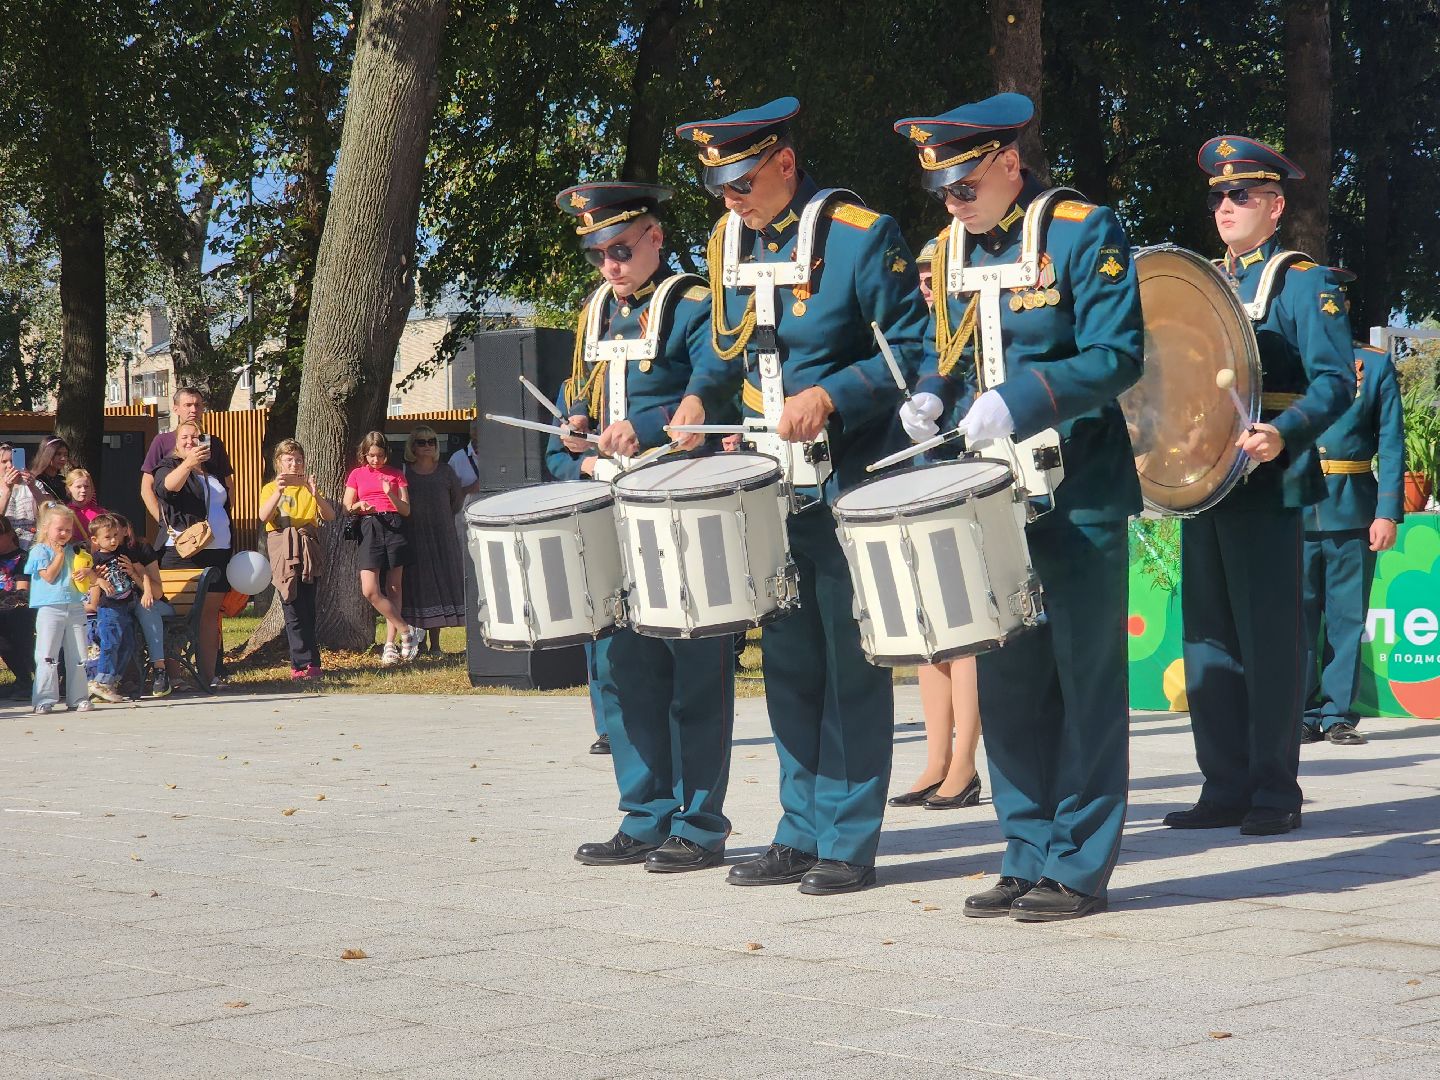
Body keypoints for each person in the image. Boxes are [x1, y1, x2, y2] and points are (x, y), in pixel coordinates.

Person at [894, 94, 1143, 920]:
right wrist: (931, 396)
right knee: (1008, 677)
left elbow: (1117, 355)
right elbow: (948, 353)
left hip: (1078, 490)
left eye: (964, 188)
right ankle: (1024, 845)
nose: (953, 205)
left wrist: (1027, 396)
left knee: (1083, 681)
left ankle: (1078, 863)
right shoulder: (948, 247)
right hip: (992, 496)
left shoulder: (1082, 229)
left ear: (1008, 163)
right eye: (943, 195)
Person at [671, 99, 928, 894]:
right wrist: (694, 401)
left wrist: (833, 395)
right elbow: (724, 352)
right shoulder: (725, 243)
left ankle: (848, 838)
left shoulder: (861, 234)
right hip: (768, 485)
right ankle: (799, 827)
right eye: (719, 186)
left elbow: (912, 354)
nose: (730, 200)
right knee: (787, 662)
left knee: (851, 665)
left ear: (784, 161)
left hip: (850, 481)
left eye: (742, 181)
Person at [545, 179, 738, 874]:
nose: (610, 266)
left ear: (656, 237)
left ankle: (700, 823)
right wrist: (571, 449)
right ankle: (644, 815)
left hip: (681, 510)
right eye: (598, 254)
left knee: (694, 671)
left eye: (621, 249)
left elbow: (720, 390)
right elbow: (573, 412)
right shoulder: (593, 312)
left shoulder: (693, 305)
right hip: (610, 514)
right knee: (625, 671)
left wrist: (651, 428)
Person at [1164, 136, 1353, 837]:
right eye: (1217, 195)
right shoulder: (1205, 282)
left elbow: (1336, 383)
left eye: (1240, 195)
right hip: (1205, 481)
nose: (1225, 205)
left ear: (1275, 207)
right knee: (1208, 640)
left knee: (1269, 642)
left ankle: (1275, 791)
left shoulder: (1302, 282)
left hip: (1268, 482)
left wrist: (1284, 433)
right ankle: (1225, 785)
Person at [889, 233, 983, 812]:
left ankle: (966, 763)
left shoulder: (978, 319)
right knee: (931, 626)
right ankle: (936, 758)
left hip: (974, 468)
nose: (928, 285)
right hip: (929, 471)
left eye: (936, 276)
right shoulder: (931, 330)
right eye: (922, 278)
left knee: (968, 625)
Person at [1302, 337, 1405, 746]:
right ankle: (1300, 714)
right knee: (1297, 619)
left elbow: (1392, 440)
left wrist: (1385, 512)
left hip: (1352, 505)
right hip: (1294, 506)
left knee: (1346, 618)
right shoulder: (1288, 354)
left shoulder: (1373, 364)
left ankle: (1337, 715)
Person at [153, 420, 233, 689]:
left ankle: (209, 677)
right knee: (176, 616)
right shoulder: (169, 465)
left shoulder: (212, 469)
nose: (191, 441)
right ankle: (175, 677)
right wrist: (187, 463)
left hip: (218, 552)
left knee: (210, 617)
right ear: (177, 440)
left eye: (196, 437)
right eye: (185, 437)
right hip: (183, 554)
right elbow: (166, 488)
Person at [259, 438, 335, 681]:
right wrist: (279, 491)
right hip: (283, 544)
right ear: (278, 463)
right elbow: (263, 516)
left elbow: (329, 515)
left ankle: (313, 662)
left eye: (299, 460)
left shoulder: (307, 488)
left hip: (307, 545)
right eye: (289, 460)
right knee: (291, 603)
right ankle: (299, 664)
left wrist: (315, 494)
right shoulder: (271, 489)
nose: (294, 464)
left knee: (308, 607)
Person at [343, 431, 421, 666]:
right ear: (364, 455)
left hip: (395, 526)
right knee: (370, 590)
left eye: (380, 455)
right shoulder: (357, 474)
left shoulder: (396, 475)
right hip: (369, 526)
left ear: (386, 454)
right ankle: (407, 631)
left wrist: (390, 495)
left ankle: (390, 644)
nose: (375, 460)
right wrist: (359, 504)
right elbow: (347, 506)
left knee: (394, 587)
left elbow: (406, 510)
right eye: (371, 456)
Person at [401, 425, 465, 653]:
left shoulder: (446, 471)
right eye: (421, 441)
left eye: (432, 442)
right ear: (412, 445)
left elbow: (456, 502)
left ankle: (436, 644)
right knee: (418, 587)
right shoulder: (405, 472)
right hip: (414, 536)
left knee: (440, 586)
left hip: (442, 536)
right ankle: (417, 642)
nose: (427, 446)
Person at [141, 387, 234, 541]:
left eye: (197, 405)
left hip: (215, 535)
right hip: (179, 535)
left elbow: (228, 485)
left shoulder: (214, 443)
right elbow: (146, 488)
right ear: (176, 409)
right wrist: (164, 521)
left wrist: (220, 516)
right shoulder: (162, 442)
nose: (193, 410)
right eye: (188, 405)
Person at [25, 503, 91, 713]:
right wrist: (60, 556)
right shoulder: (39, 551)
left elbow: (93, 577)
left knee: (79, 655)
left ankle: (79, 697)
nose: (64, 534)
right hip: (49, 607)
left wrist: (88, 573)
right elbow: (49, 576)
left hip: (74, 605)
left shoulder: (75, 551)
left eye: (68, 530)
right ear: (47, 528)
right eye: (60, 529)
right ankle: (44, 698)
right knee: (47, 654)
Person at [83, 513, 145, 704]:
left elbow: (139, 573)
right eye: (108, 537)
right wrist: (98, 578)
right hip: (108, 608)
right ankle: (101, 680)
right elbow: (86, 574)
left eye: (116, 536)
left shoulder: (124, 553)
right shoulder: (96, 558)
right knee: (110, 643)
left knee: (127, 645)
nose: (113, 540)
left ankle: (111, 682)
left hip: (125, 606)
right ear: (95, 540)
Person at [0, 515, 35, 698]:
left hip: (18, 607)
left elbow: (23, 590)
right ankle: (22, 679)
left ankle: (30, 680)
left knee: (20, 637)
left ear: (9, 534)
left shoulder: (22, 557)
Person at [0, 443, 42, 548]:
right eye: (4, 461)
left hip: (33, 546)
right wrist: (7, 491)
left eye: (13, 461)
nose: (10, 465)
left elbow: (50, 510)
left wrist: (33, 488)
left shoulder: (35, 484)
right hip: (5, 549)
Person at [446, 421, 484, 503]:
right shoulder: (457, 459)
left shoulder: (500, 458)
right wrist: (470, 488)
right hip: (465, 514)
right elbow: (447, 495)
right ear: (472, 433)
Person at [65, 468, 105, 545]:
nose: (83, 490)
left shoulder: (101, 514)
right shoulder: (63, 513)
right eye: (78, 487)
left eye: (86, 486)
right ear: (68, 489)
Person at [30, 437, 71, 503]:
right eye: (58, 454)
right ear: (48, 454)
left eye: (66, 455)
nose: (63, 458)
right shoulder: (34, 480)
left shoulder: (63, 481)